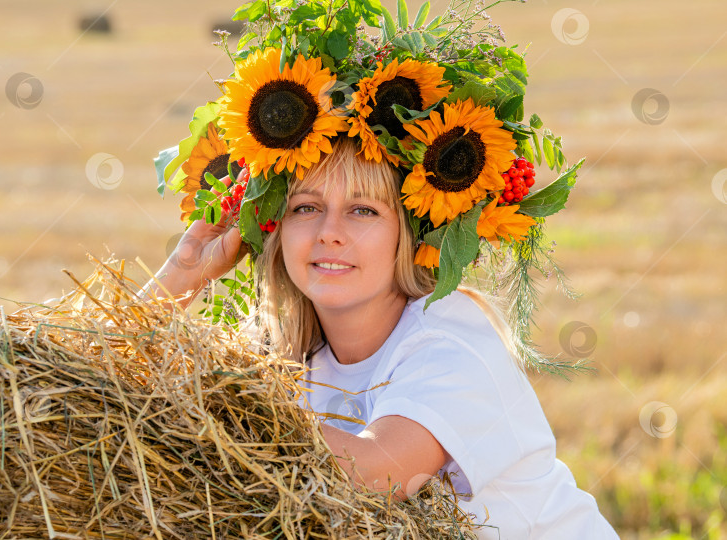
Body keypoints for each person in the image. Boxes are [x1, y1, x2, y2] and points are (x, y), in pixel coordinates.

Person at [143, 136, 619, 539]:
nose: (330, 233)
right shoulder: (280, 345)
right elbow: (89, 380)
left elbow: (375, 475)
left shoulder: (449, 338)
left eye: (363, 211)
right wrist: (184, 269)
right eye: (305, 207)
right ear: (276, 230)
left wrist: (202, 399)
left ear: (409, 237)